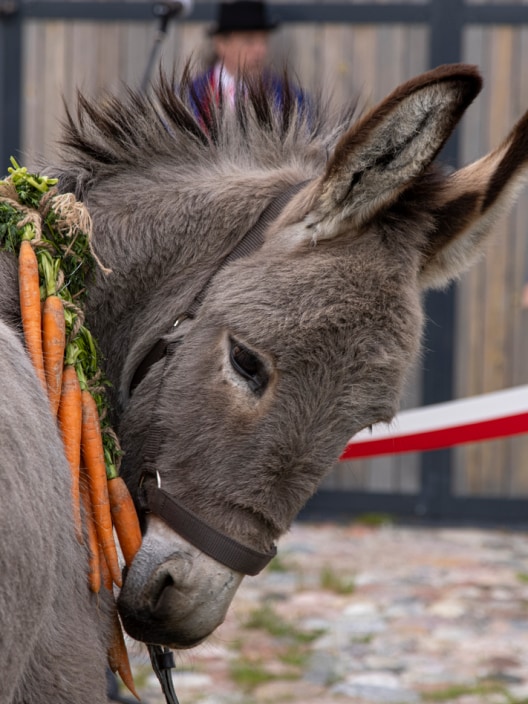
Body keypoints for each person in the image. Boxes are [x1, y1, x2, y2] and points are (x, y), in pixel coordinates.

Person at [188, 0, 304, 118]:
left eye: (264, 41)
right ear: (221, 44)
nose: (260, 50)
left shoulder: (294, 100)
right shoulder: (187, 98)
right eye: (249, 41)